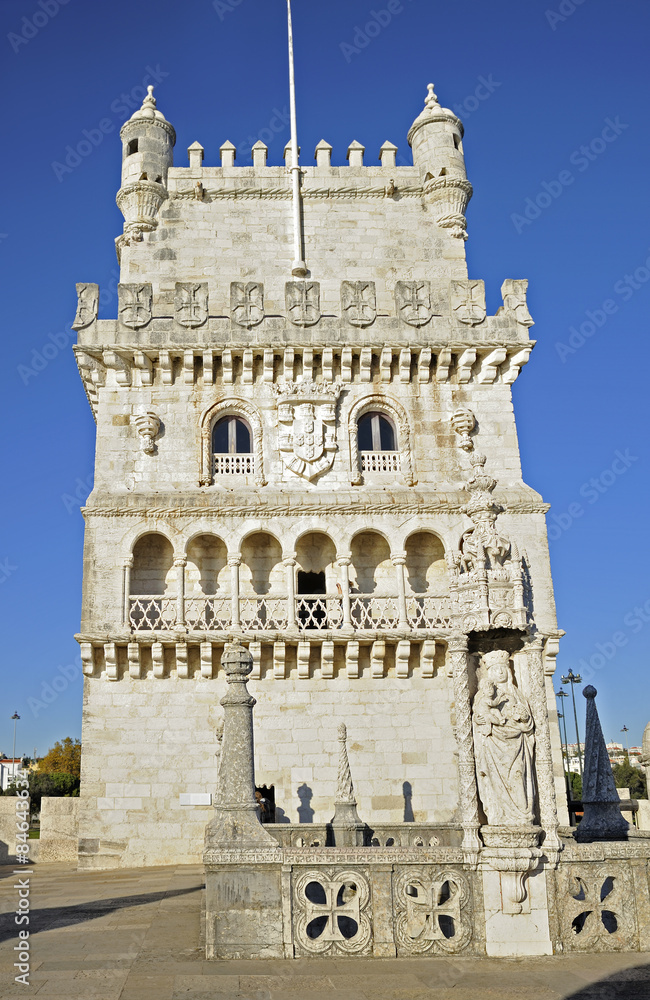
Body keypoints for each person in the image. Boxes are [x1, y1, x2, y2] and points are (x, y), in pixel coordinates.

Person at [472, 650, 536, 826]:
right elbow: (478, 717)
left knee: (518, 776)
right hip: (493, 745)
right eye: (496, 669)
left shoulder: (516, 693)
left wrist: (524, 717)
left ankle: (522, 816)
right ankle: (498, 817)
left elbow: (529, 723)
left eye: (503, 668)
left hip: (517, 743)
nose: (500, 672)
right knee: (494, 783)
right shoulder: (483, 695)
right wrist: (479, 720)